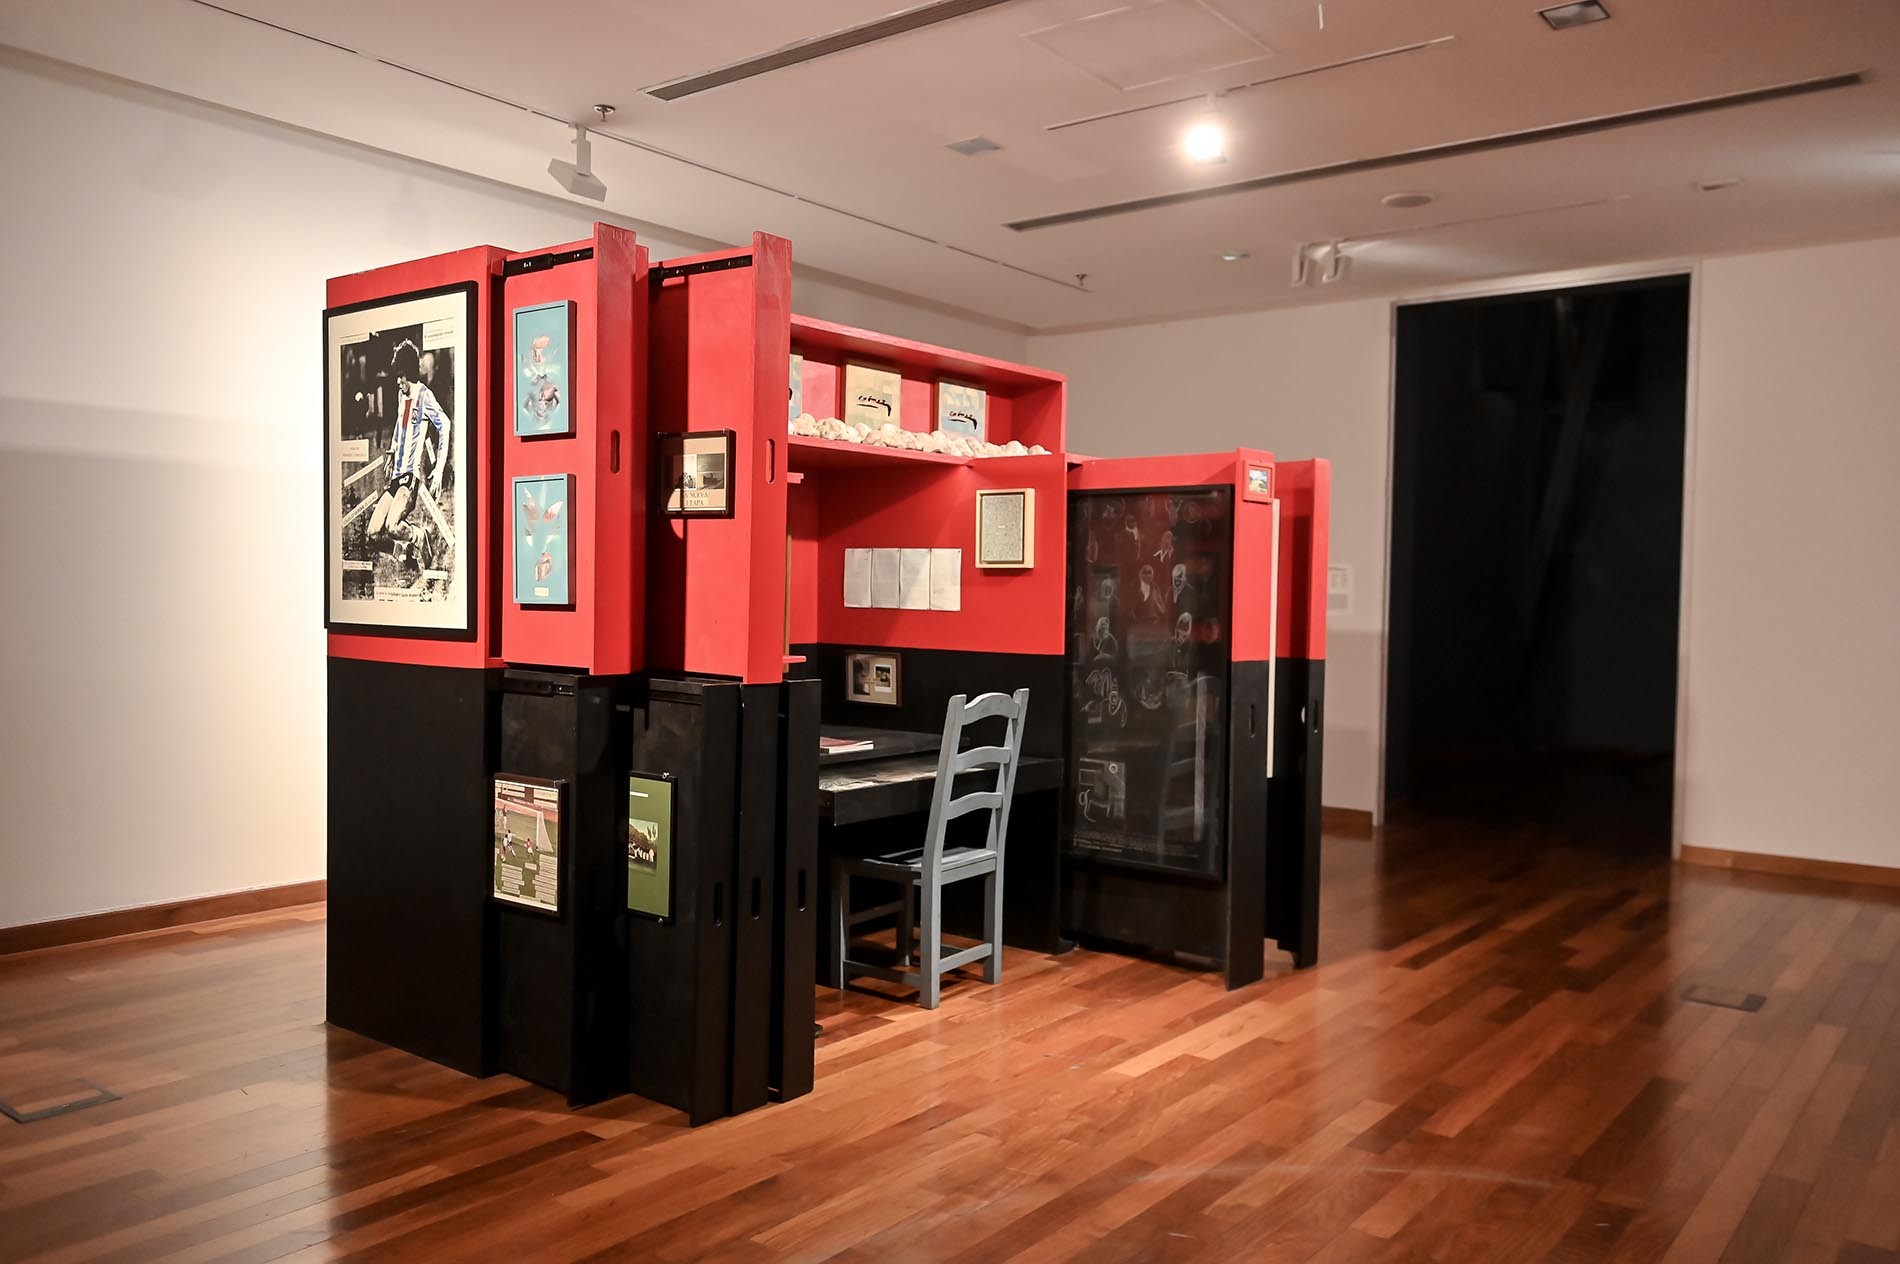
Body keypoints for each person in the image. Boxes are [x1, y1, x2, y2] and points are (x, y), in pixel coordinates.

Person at [366, 339, 451, 574]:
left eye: (400, 376)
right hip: (396, 478)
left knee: (393, 526)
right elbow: (399, 425)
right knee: (373, 533)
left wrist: (439, 469)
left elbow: (445, 425)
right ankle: (404, 553)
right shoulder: (402, 396)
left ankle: (419, 536)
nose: (398, 381)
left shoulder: (424, 396)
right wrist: (393, 450)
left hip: (410, 478)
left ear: (410, 373)